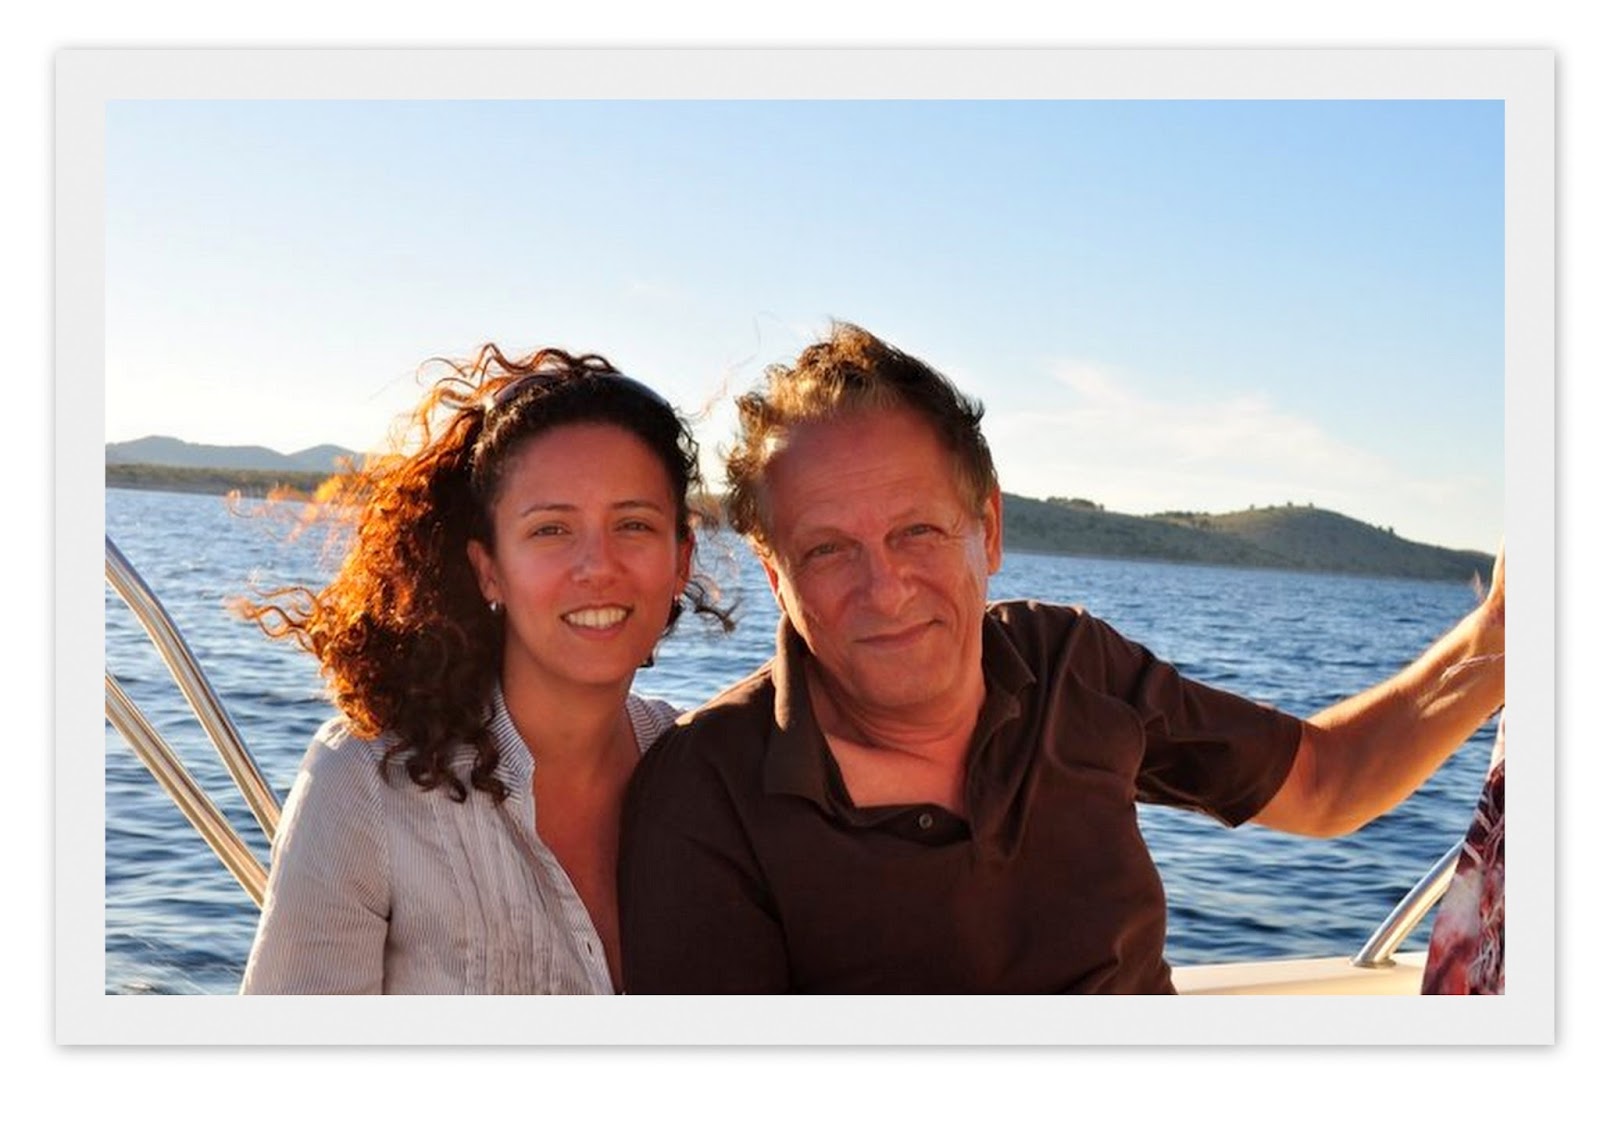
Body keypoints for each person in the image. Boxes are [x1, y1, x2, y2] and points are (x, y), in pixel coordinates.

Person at [617, 321, 1505, 994]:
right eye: (827, 549)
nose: (884, 587)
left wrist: (1501, 639)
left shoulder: (1069, 665)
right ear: (775, 572)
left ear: (989, 529)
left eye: (918, 530)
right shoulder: (708, 791)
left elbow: (1328, 781)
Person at [238, 343, 729, 994]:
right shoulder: (366, 781)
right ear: (489, 568)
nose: (597, 566)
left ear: (680, 561)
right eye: (551, 529)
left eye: (633, 524)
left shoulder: (709, 770)